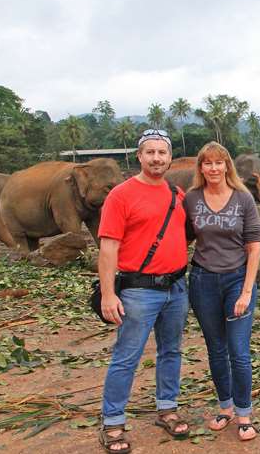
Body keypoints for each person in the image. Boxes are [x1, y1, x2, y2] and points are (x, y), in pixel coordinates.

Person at [97, 129, 190, 453]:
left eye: (162, 153)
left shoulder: (177, 195)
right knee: (127, 356)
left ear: (169, 158)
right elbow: (108, 247)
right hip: (138, 291)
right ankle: (113, 422)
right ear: (139, 156)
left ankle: (167, 407)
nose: (156, 158)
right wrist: (109, 294)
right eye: (150, 152)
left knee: (172, 351)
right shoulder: (121, 195)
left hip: (177, 288)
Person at [185, 141, 260, 441]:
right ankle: (225, 407)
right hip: (203, 282)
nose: (214, 168)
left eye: (219, 162)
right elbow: (182, 238)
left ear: (227, 166)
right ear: (201, 168)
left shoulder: (243, 199)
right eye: (208, 163)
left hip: (237, 281)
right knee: (216, 349)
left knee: (238, 351)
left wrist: (246, 292)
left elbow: (253, 248)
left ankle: (244, 413)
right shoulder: (191, 199)